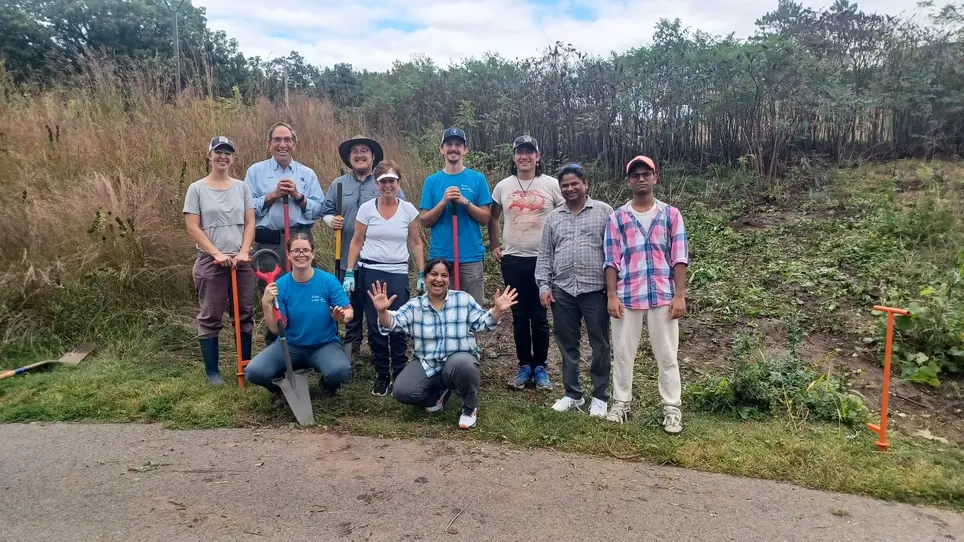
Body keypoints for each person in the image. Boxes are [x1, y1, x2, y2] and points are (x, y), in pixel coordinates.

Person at [370, 259, 517, 429]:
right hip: (428, 363)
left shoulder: (463, 300)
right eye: (434, 274)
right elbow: (393, 322)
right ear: (425, 278)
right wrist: (382, 311)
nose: (439, 279)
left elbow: (483, 322)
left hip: (458, 361)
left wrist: (497, 310)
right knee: (402, 391)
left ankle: (469, 408)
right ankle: (438, 394)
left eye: (444, 275)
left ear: (449, 279)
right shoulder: (415, 306)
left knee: (463, 364)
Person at [603, 156, 689, 434]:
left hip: (662, 296)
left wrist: (679, 295)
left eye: (646, 174)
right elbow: (611, 259)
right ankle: (621, 404)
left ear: (655, 177)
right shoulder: (618, 217)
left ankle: (672, 409)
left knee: (667, 355)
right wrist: (612, 295)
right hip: (628, 296)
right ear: (628, 181)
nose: (641, 179)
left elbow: (679, 257)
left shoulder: (671, 215)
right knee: (624, 354)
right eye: (635, 175)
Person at [535, 163, 614, 418]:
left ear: (585, 184)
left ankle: (600, 396)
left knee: (599, 344)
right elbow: (545, 256)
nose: (569, 189)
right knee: (567, 344)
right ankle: (573, 394)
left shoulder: (604, 212)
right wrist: (544, 287)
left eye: (574, 184)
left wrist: (613, 289)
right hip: (563, 291)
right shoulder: (554, 217)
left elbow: (614, 253)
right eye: (565, 185)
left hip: (595, 291)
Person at [488, 135, 564, 391]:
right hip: (512, 260)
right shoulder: (502, 186)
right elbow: (494, 217)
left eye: (529, 152)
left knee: (540, 315)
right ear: (514, 157)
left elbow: (565, 216)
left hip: (543, 261)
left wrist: (560, 249)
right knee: (519, 316)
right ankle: (524, 367)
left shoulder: (552, 184)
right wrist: (495, 245)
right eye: (520, 151)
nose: (524, 156)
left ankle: (541, 367)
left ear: (537, 156)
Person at [344, 160, 425, 396]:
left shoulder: (408, 209)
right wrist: (350, 272)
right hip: (371, 271)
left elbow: (416, 242)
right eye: (383, 181)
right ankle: (382, 375)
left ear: (398, 183)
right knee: (375, 324)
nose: (388, 185)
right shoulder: (367, 209)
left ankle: (399, 373)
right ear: (377, 184)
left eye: (392, 181)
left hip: (398, 271)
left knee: (398, 323)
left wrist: (421, 272)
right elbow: (356, 241)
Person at [244, 233, 354, 406]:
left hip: (323, 345)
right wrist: (266, 304)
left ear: (313, 253)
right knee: (254, 371)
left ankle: (328, 386)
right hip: (290, 345)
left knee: (340, 371)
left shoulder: (328, 281)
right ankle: (281, 389)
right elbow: (275, 328)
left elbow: (349, 312)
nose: (301, 254)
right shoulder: (281, 286)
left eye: (305, 250)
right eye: (296, 250)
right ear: (288, 255)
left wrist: (341, 318)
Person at [322, 135, 405, 361]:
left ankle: (381, 346)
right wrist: (330, 220)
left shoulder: (385, 183)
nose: (359, 155)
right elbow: (325, 210)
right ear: (349, 158)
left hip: (379, 260)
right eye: (354, 151)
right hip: (348, 255)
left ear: (373, 155)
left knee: (377, 301)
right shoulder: (338, 185)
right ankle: (352, 346)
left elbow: (403, 213)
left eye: (365, 151)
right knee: (350, 301)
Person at [244, 122, 326, 345]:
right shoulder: (255, 172)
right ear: (269, 144)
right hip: (271, 243)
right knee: (273, 293)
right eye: (277, 140)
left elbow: (320, 208)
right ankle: (275, 345)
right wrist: (273, 196)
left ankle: (304, 343)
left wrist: (299, 196)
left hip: (300, 239)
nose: (283, 144)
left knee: (303, 289)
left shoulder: (307, 174)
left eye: (287, 139)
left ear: (294, 144)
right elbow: (246, 207)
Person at [183, 136, 255, 385]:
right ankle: (213, 373)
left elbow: (250, 222)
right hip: (210, 262)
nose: (223, 157)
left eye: (227, 153)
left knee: (244, 313)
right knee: (210, 315)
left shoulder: (242, 187)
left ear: (233, 157)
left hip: (241, 262)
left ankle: (245, 366)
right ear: (209, 156)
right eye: (218, 152)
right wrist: (216, 253)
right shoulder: (197, 188)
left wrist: (244, 251)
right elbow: (193, 227)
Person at [418, 128, 492, 304]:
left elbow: (485, 218)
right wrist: (443, 202)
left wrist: (464, 202)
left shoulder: (477, 179)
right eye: (449, 144)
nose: (453, 148)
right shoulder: (431, 181)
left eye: (458, 144)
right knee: (440, 309)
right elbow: (425, 221)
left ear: (465, 150)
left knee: (472, 310)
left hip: (470, 256)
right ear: (442, 149)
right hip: (440, 257)